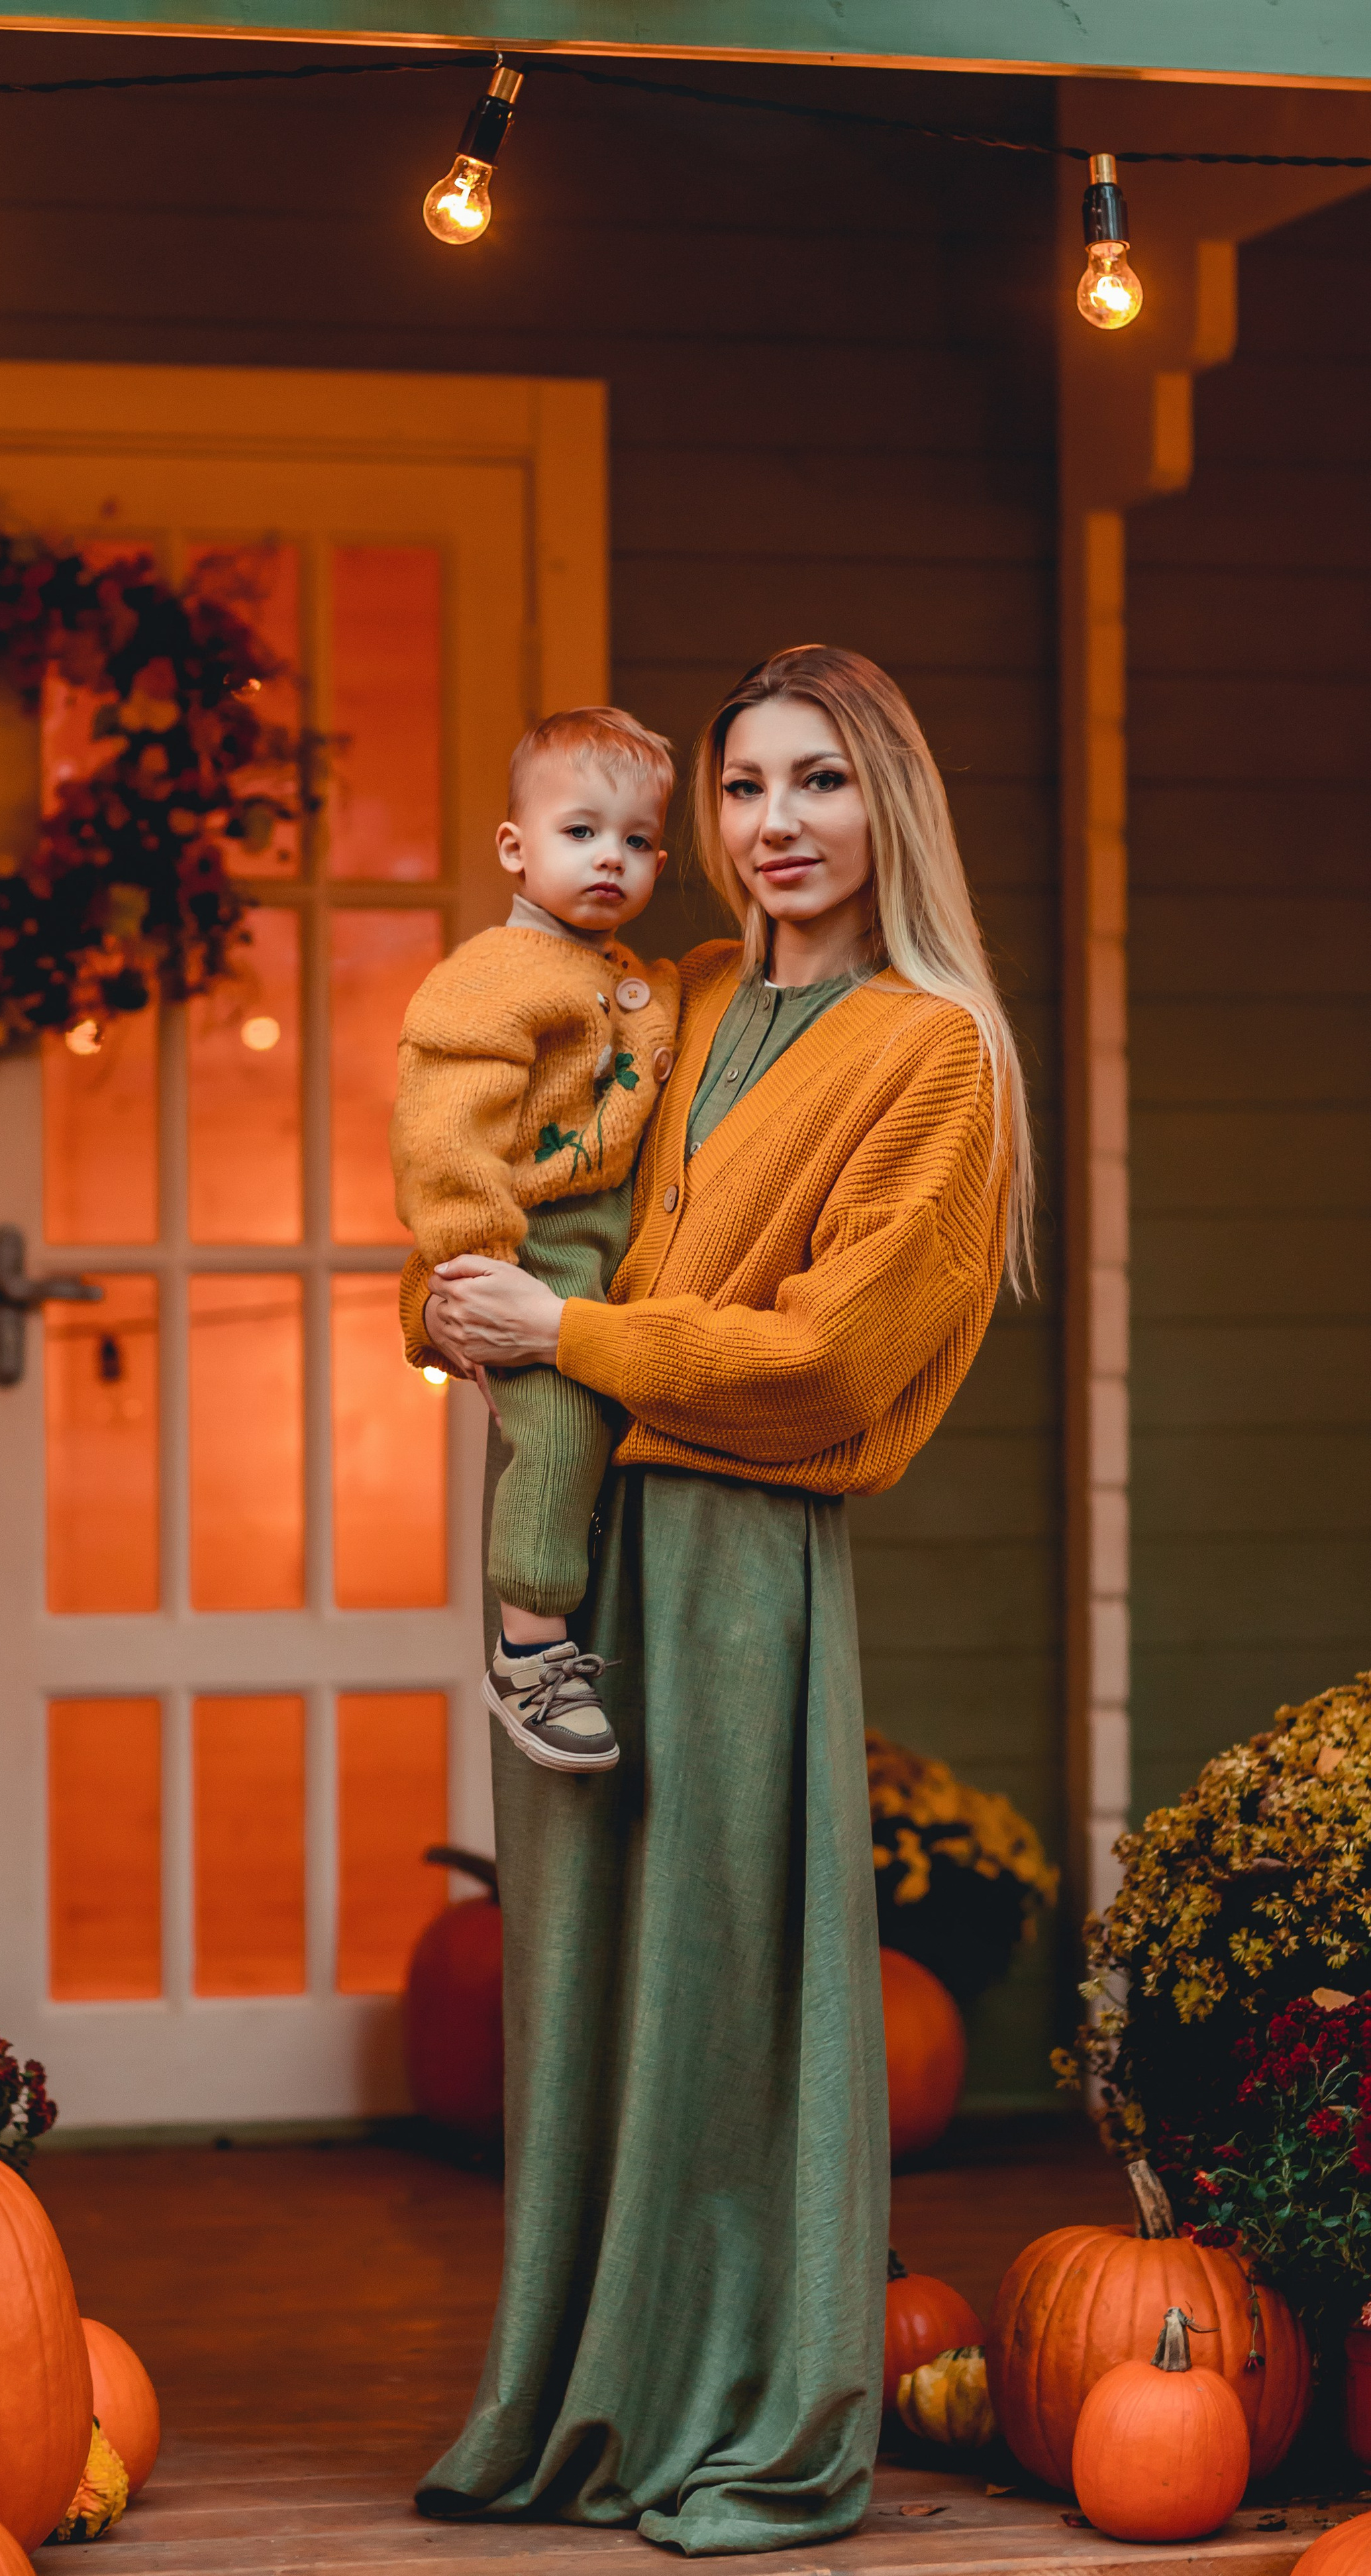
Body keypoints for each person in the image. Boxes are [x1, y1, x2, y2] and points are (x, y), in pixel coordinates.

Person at [406, 644, 1033, 2555]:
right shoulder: (656, 996)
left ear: (888, 810)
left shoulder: (930, 1054)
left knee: (724, 1980)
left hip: (743, 1551)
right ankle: (580, 2397)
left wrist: (569, 1329)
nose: (776, 828)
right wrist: (454, 1299)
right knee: (583, 1976)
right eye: (748, 789)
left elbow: (836, 1363)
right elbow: (505, 1163)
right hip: (580, 1534)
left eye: (821, 785)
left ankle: (745, 2403)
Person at [392, 706, 679, 1774]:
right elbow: (440, 1128)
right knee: (555, 1435)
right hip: (532, 1243)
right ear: (515, 848)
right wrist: (474, 1259)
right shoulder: (493, 976)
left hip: (607, 1251)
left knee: (599, 1429)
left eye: (638, 841)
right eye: (581, 832)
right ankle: (530, 1649)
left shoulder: (624, 972)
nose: (612, 857)